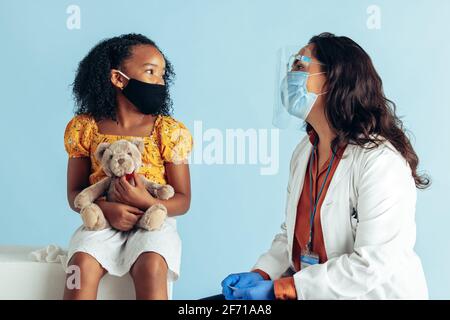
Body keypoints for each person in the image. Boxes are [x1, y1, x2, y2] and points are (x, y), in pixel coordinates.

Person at [221, 32, 429, 300]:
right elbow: (293, 234)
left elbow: (372, 264)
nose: (289, 77)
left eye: (300, 67)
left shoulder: (380, 162)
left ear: (333, 81)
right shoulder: (304, 151)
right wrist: (263, 273)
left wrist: (284, 289)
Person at [63, 33, 193, 300]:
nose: (160, 81)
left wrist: (143, 199)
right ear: (118, 79)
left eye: (162, 74)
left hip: (153, 221)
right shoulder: (85, 128)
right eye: (150, 72)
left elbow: (183, 200)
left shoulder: (168, 131)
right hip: (101, 221)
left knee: (152, 264)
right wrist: (105, 208)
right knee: (81, 264)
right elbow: (75, 193)